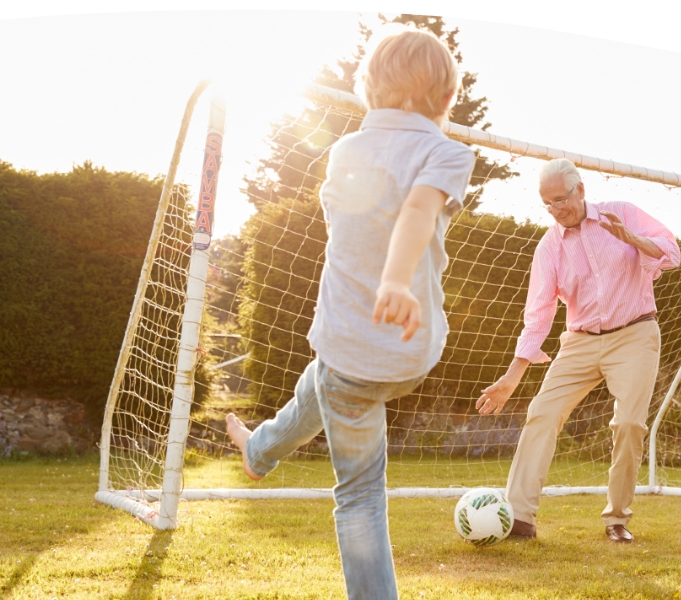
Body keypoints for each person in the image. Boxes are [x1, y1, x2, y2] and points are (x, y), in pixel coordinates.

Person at [224, 26, 476, 600]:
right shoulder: (449, 151)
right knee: (326, 385)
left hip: (350, 346)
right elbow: (417, 204)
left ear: (367, 90)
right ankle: (259, 450)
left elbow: (410, 209)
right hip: (412, 352)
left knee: (358, 489)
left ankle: (261, 449)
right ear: (446, 100)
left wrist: (392, 278)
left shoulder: (343, 152)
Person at [476, 158, 681, 543]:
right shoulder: (549, 246)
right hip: (580, 341)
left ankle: (616, 520)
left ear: (580, 190)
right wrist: (512, 376)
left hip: (635, 334)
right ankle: (519, 519)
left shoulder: (621, 214)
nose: (557, 210)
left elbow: (673, 253)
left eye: (561, 199)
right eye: (548, 203)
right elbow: (538, 314)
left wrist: (631, 240)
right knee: (541, 412)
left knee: (630, 424)